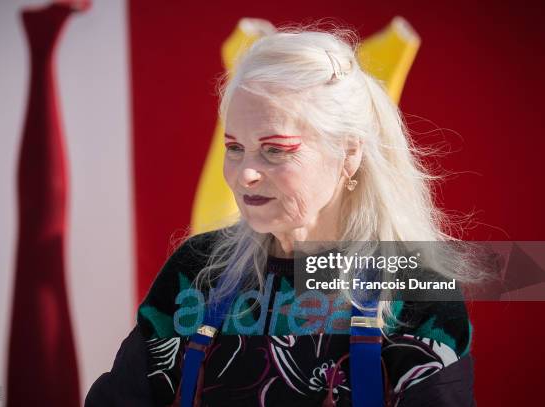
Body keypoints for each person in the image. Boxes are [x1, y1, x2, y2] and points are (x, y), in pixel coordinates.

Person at [86, 24, 479, 406]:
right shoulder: (197, 268)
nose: (245, 173)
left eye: (275, 150)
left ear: (349, 153)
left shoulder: (418, 285)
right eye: (235, 147)